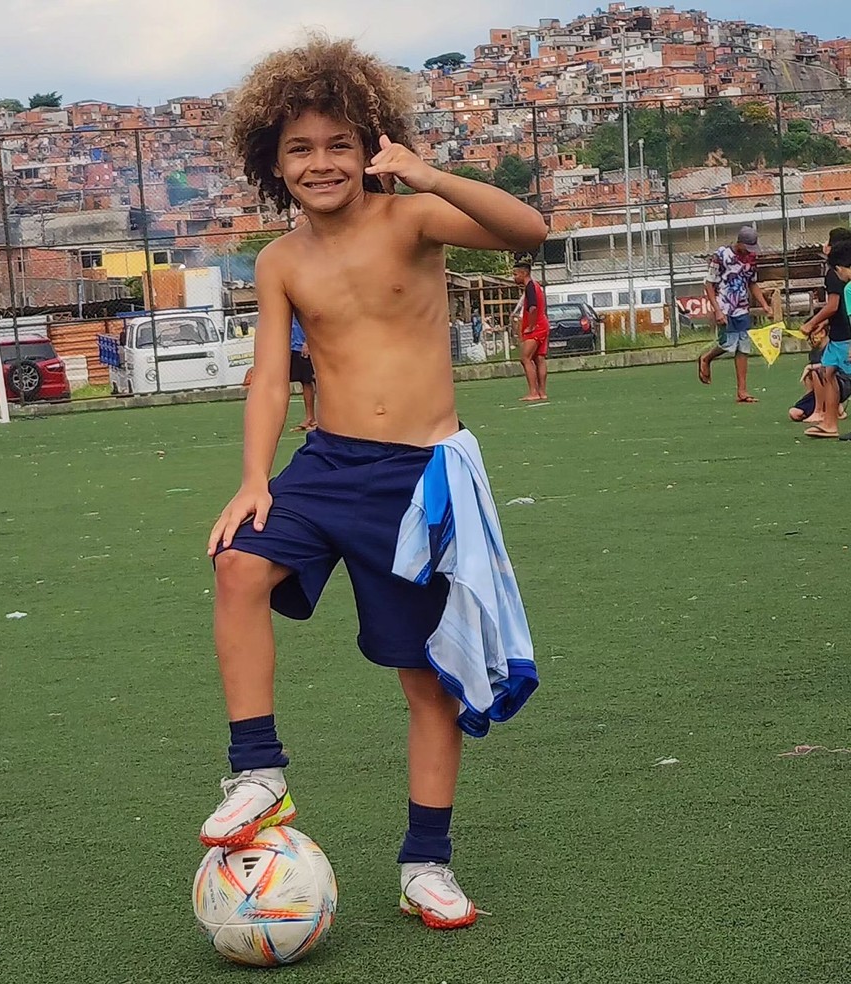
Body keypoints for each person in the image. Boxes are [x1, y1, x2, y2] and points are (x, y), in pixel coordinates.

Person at [201, 35, 546, 930]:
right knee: (238, 562)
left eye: (339, 144)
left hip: (421, 483)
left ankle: (425, 864)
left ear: (370, 147)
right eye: (300, 149)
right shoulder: (279, 262)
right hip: (328, 467)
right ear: (273, 165)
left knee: (427, 682)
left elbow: (529, 232)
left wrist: (427, 175)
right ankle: (258, 773)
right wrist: (251, 478)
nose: (322, 163)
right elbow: (271, 378)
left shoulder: (412, 219)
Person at [697, 225, 773, 402]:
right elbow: (709, 284)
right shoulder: (721, 256)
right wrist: (717, 310)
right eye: (748, 248)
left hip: (742, 308)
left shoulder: (751, 259)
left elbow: (752, 283)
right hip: (724, 307)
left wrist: (765, 305)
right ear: (739, 243)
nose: (750, 252)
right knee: (727, 344)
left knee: (743, 348)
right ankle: (706, 358)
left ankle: (742, 391)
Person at [802, 242, 851, 438]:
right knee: (827, 371)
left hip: (844, 339)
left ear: (838, 268)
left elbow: (834, 307)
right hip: (838, 338)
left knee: (834, 374)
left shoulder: (846, 288)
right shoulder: (846, 287)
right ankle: (830, 423)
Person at [512, 252, 550, 401]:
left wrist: (531, 326)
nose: (514, 277)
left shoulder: (530, 287)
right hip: (544, 325)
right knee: (539, 359)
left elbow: (533, 308)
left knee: (525, 358)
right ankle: (542, 392)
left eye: (515, 274)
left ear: (523, 273)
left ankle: (533, 392)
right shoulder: (536, 286)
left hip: (537, 327)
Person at [289, 312, 316, 431]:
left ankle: (323, 419)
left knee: (317, 380)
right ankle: (310, 418)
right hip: (294, 346)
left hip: (308, 346)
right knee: (305, 381)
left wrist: (307, 342)